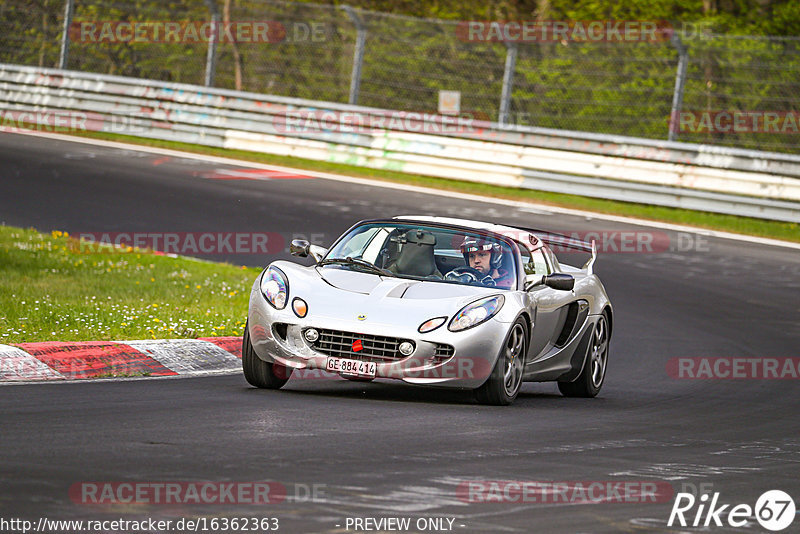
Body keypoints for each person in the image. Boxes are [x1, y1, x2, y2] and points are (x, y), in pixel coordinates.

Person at [446, 237, 515, 288]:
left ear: (495, 258)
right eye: (472, 256)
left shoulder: (509, 284)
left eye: (482, 255)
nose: (476, 261)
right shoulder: (461, 279)